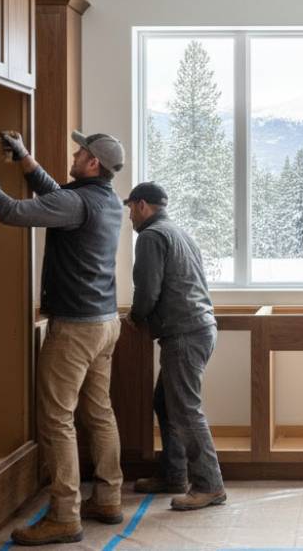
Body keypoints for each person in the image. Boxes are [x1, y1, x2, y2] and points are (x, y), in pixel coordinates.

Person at [0, 130, 126, 545]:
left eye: (81, 152)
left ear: (93, 163)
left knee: (57, 420)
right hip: (105, 322)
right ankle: (108, 499)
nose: (74, 154)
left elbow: (10, 212)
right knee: (99, 413)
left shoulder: (77, 203)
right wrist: (25, 158)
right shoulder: (108, 200)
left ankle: (64, 515)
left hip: (75, 329)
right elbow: (57, 195)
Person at [124, 181, 227, 511]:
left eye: (130, 208)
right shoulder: (179, 232)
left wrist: (135, 317)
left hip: (184, 333)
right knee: (166, 403)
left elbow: (147, 290)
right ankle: (173, 474)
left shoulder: (151, 236)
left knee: (184, 409)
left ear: (142, 205)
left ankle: (209, 485)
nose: (129, 216)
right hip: (199, 328)